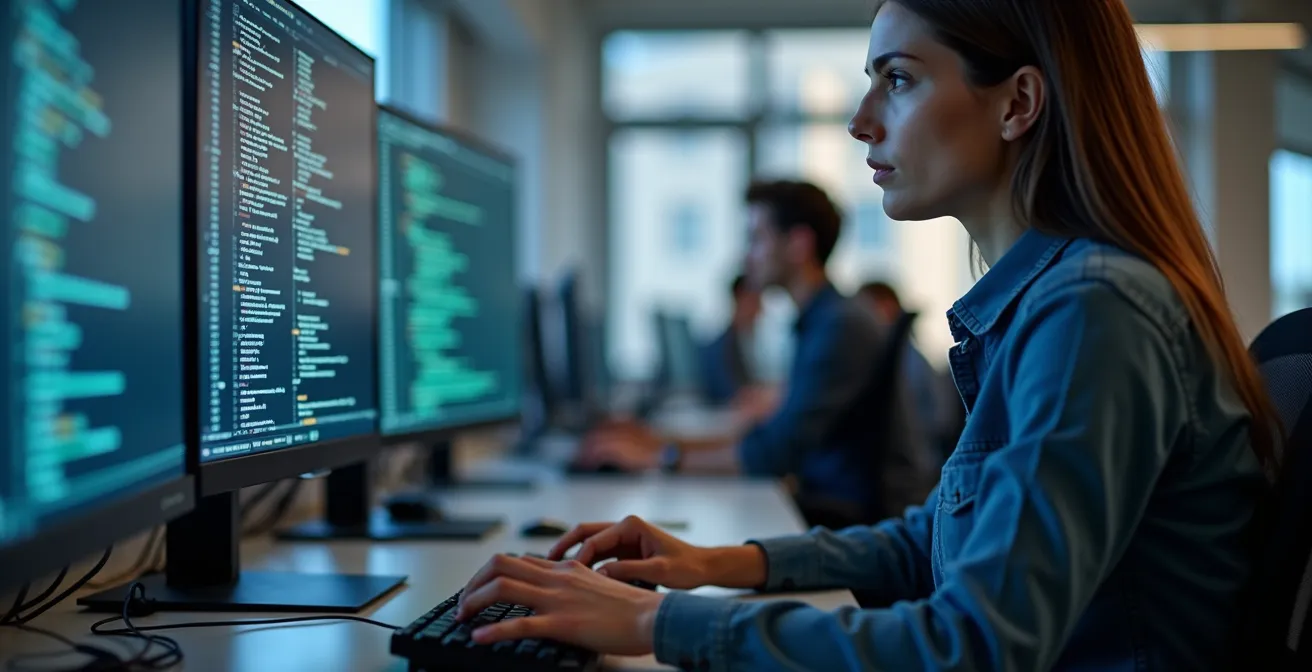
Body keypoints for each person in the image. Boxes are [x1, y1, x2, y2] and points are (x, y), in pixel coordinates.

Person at [455, 0, 1282, 669]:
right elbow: (939, 537)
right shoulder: (1056, 299)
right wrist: (715, 565)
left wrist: (657, 624)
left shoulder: (1094, 309)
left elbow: (977, 644)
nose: (859, 121)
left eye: (898, 80)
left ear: (1018, 104)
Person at [579, 179, 925, 520]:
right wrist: (658, 442)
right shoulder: (825, 318)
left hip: (855, 518)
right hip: (833, 499)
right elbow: (771, 436)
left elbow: (774, 453)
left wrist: (661, 458)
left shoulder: (839, 325)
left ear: (798, 244)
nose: (747, 256)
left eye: (757, 238)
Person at [858, 280, 959, 467]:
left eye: (866, 311)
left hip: (916, 472)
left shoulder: (907, 361)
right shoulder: (904, 358)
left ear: (886, 308)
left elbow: (941, 420)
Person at [698, 274, 761, 407]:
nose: (760, 310)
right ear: (741, 298)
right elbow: (731, 397)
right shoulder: (720, 349)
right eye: (756, 301)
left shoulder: (743, 342)